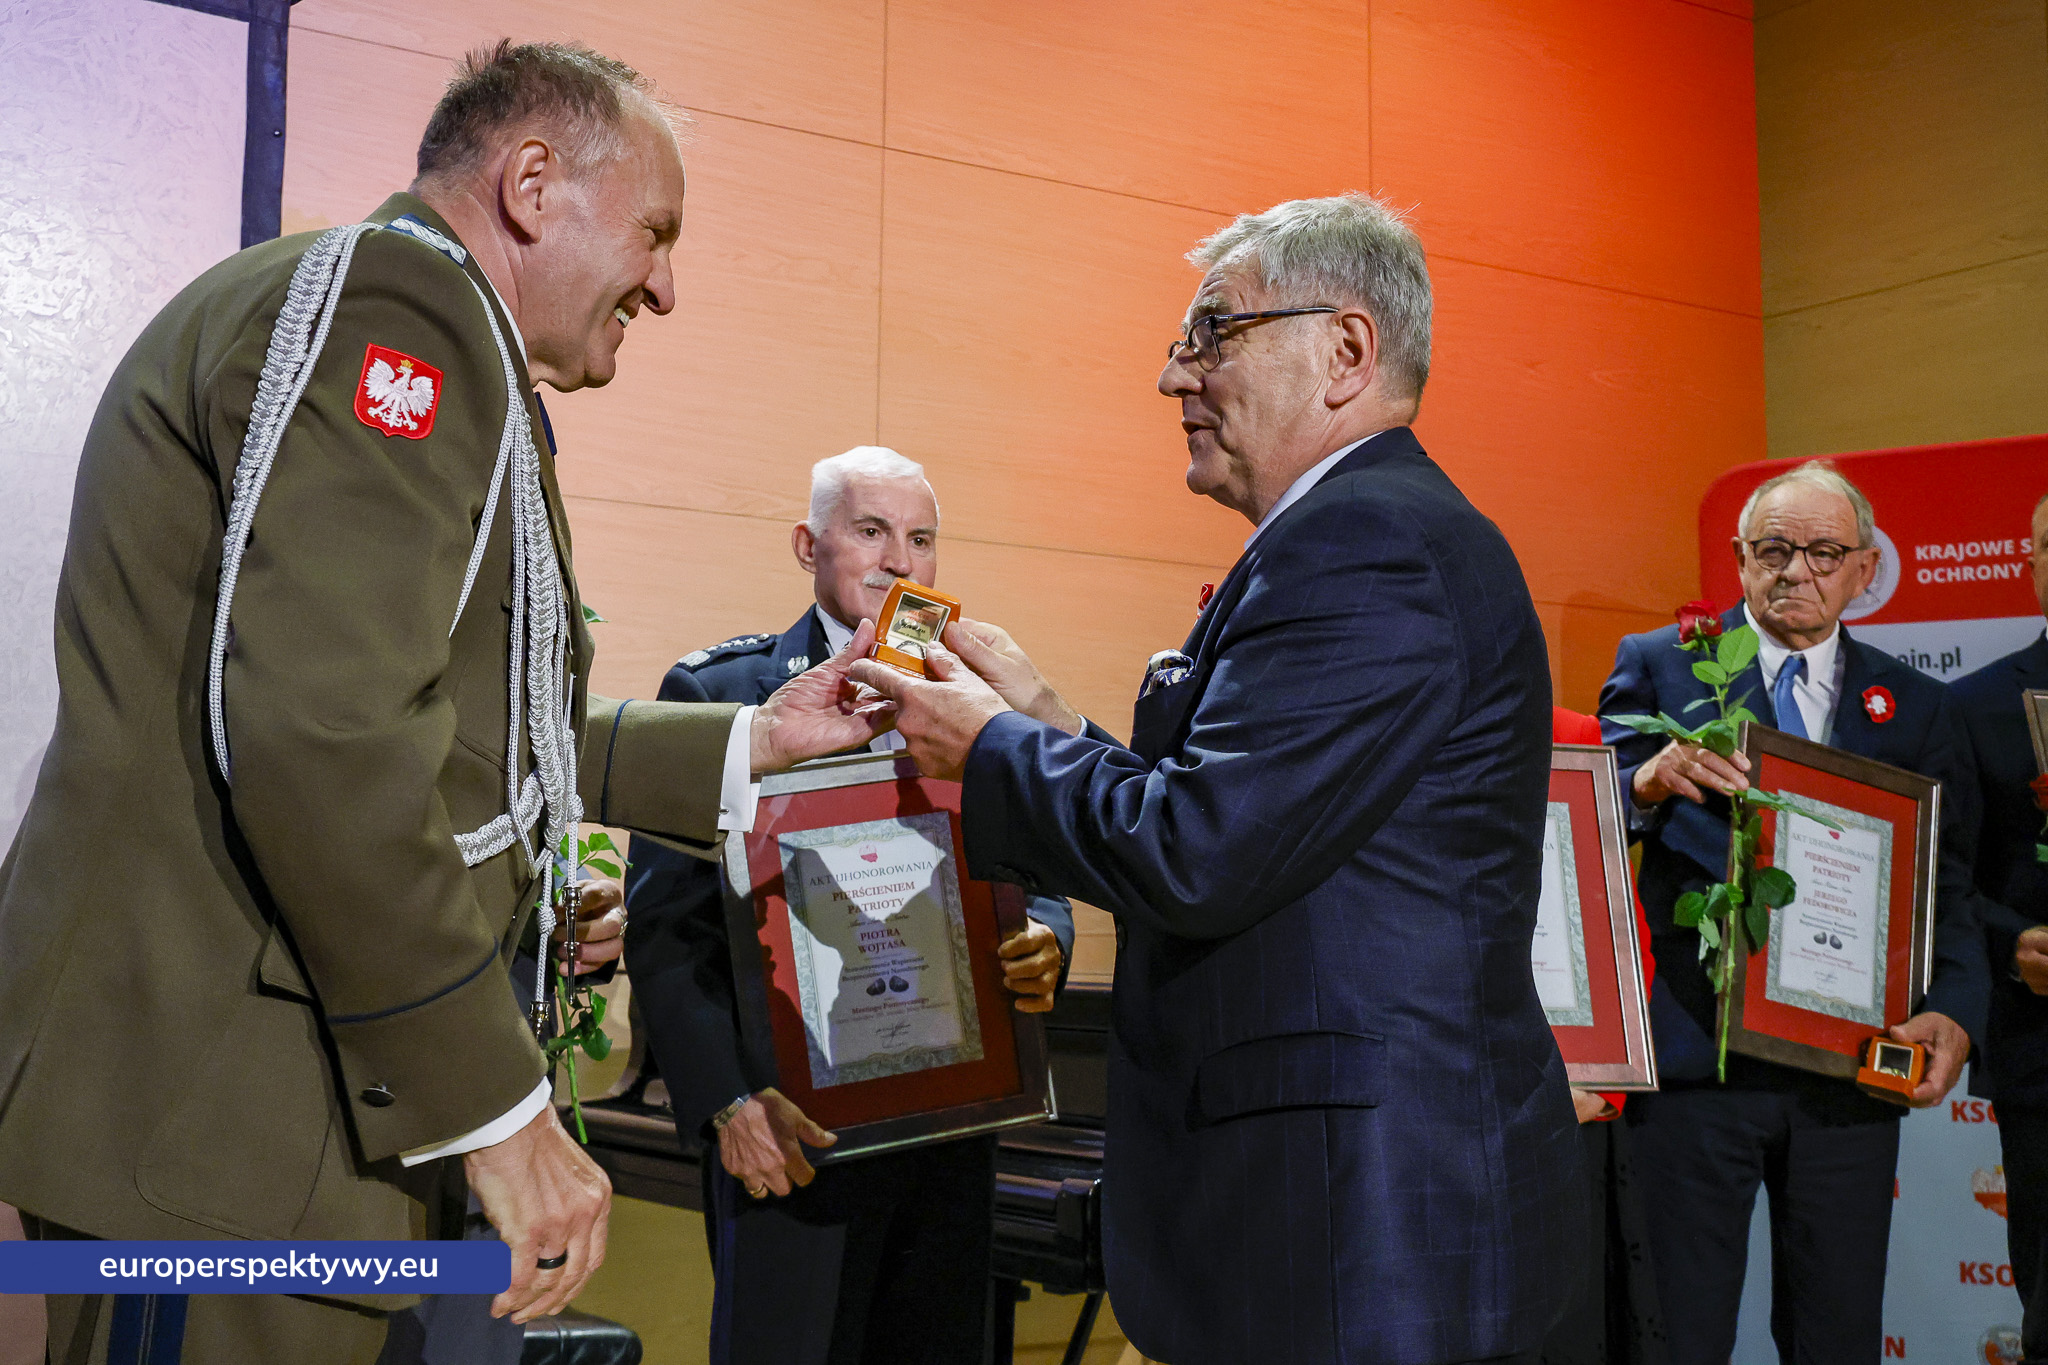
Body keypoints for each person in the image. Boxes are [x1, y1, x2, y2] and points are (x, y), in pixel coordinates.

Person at [0, 41, 885, 1365]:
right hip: (223, 1127)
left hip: (250, 1129)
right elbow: (326, 737)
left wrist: (755, 741)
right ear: (531, 181)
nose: (667, 280)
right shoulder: (398, 310)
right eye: (654, 230)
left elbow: (453, 728)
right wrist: (502, 1112)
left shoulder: (413, 319)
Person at [849, 193, 1581, 1365]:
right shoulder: (1351, 533)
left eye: (1210, 335)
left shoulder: (1368, 542)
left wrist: (990, 746)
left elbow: (1196, 851)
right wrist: (1046, 721)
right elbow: (1236, 820)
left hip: (1358, 1224)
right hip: (1333, 1210)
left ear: (1345, 350)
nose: (1169, 377)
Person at [623, 445, 1074, 1365]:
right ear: (808, 545)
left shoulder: (977, 703)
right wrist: (725, 1104)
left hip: (951, 1131)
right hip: (793, 1137)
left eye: (921, 538)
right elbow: (666, 930)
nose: (900, 562)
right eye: (871, 531)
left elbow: (1045, 869)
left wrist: (1045, 936)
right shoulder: (722, 696)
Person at [1596, 460, 1990, 1365]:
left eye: (1823, 552)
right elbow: (1589, 810)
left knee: (1836, 1338)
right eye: (1774, 549)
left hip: (1847, 1077)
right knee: (1674, 1337)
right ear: (1739, 559)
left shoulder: (1920, 704)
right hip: (1696, 1069)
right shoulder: (1663, 663)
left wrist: (1959, 1009)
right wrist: (1647, 783)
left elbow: (1950, 888)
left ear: (1864, 568)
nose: (1796, 571)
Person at [1953, 490, 2048, 1365]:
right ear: (2032, 565)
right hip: (2042, 1054)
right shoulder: (1976, 706)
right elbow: (1948, 884)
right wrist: (2014, 947)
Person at [1543, 708, 1668, 1365]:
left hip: (1571, 1112)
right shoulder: (1350, 728)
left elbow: (1616, 923)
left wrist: (1603, 1081)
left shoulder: (1569, 735)